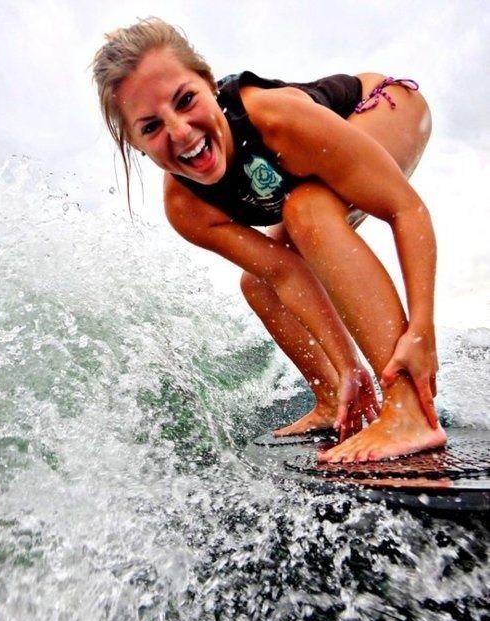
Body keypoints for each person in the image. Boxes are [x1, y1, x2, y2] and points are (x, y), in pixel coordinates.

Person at [92, 17, 447, 462]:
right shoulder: (187, 209)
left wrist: (422, 329)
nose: (180, 132)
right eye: (151, 127)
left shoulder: (276, 118)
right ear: (136, 143)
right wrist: (347, 364)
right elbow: (284, 271)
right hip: (309, 175)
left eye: (186, 100)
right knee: (257, 282)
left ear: (208, 83)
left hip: (384, 104)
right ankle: (336, 393)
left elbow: (406, 209)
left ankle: (408, 407)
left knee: (306, 209)